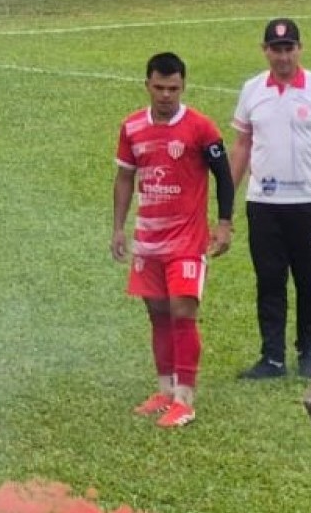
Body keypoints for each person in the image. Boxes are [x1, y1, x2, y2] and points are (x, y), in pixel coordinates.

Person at [112, 52, 235, 427]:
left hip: (186, 240)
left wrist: (225, 223)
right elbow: (124, 178)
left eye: (174, 88)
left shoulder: (201, 128)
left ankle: (185, 397)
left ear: (184, 86)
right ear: (147, 85)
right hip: (148, 240)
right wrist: (118, 227)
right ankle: (164, 390)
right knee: (157, 313)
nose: (166, 95)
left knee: (183, 311)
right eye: (160, 87)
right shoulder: (132, 127)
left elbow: (224, 177)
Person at [230, 18, 311, 381]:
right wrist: (225, 201)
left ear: (300, 48)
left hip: (310, 202)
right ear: (264, 50)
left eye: (289, 48)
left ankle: (308, 352)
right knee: (269, 280)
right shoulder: (252, 90)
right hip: (264, 205)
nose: (283, 56)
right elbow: (242, 146)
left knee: (310, 281)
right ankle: (273, 358)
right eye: (276, 49)